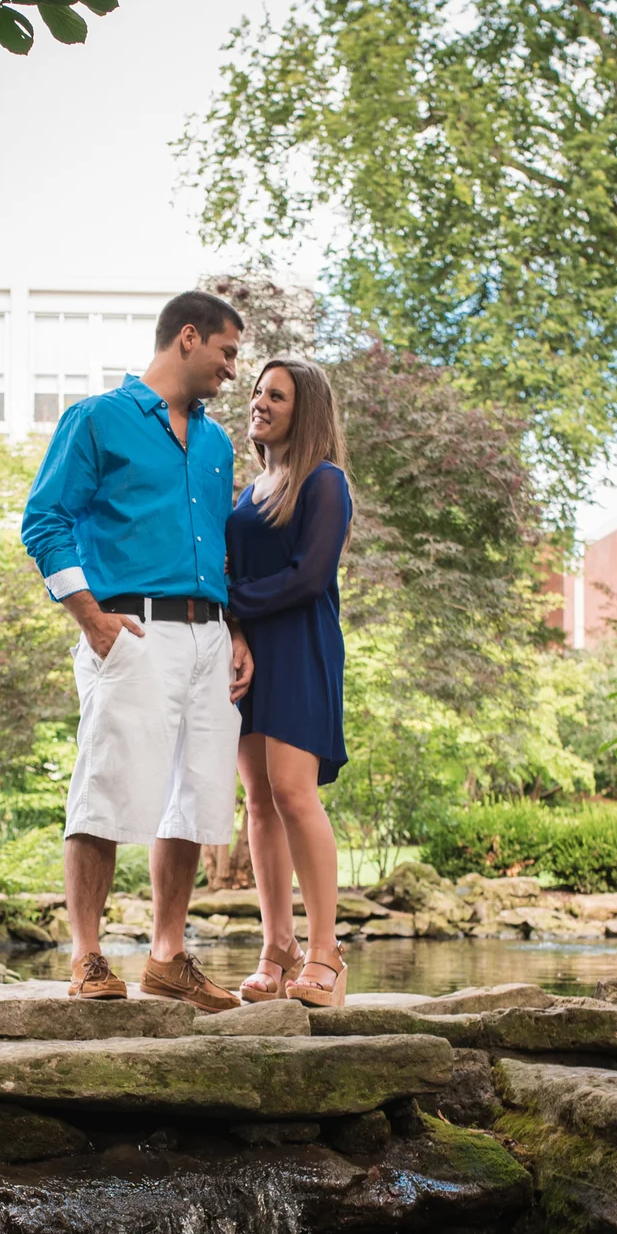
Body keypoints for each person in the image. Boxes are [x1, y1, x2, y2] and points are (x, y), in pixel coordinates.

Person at [21, 290, 256, 1009]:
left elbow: (222, 546)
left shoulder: (217, 445)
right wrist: (89, 616)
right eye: (227, 352)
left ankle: (167, 956)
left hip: (210, 639)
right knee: (105, 788)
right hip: (132, 630)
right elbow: (44, 520)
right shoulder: (97, 419)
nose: (231, 370)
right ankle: (87, 956)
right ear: (188, 337)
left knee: (192, 798)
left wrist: (237, 630)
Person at [227, 357, 353, 1008]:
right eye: (256, 391)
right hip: (251, 652)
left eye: (276, 394)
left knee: (293, 793)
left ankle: (326, 949)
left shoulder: (324, 482)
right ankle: (278, 946)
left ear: (304, 411)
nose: (260, 402)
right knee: (257, 800)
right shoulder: (247, 491)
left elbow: (309, 578)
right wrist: (235, 630)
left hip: (302, 646)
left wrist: (232, 599)